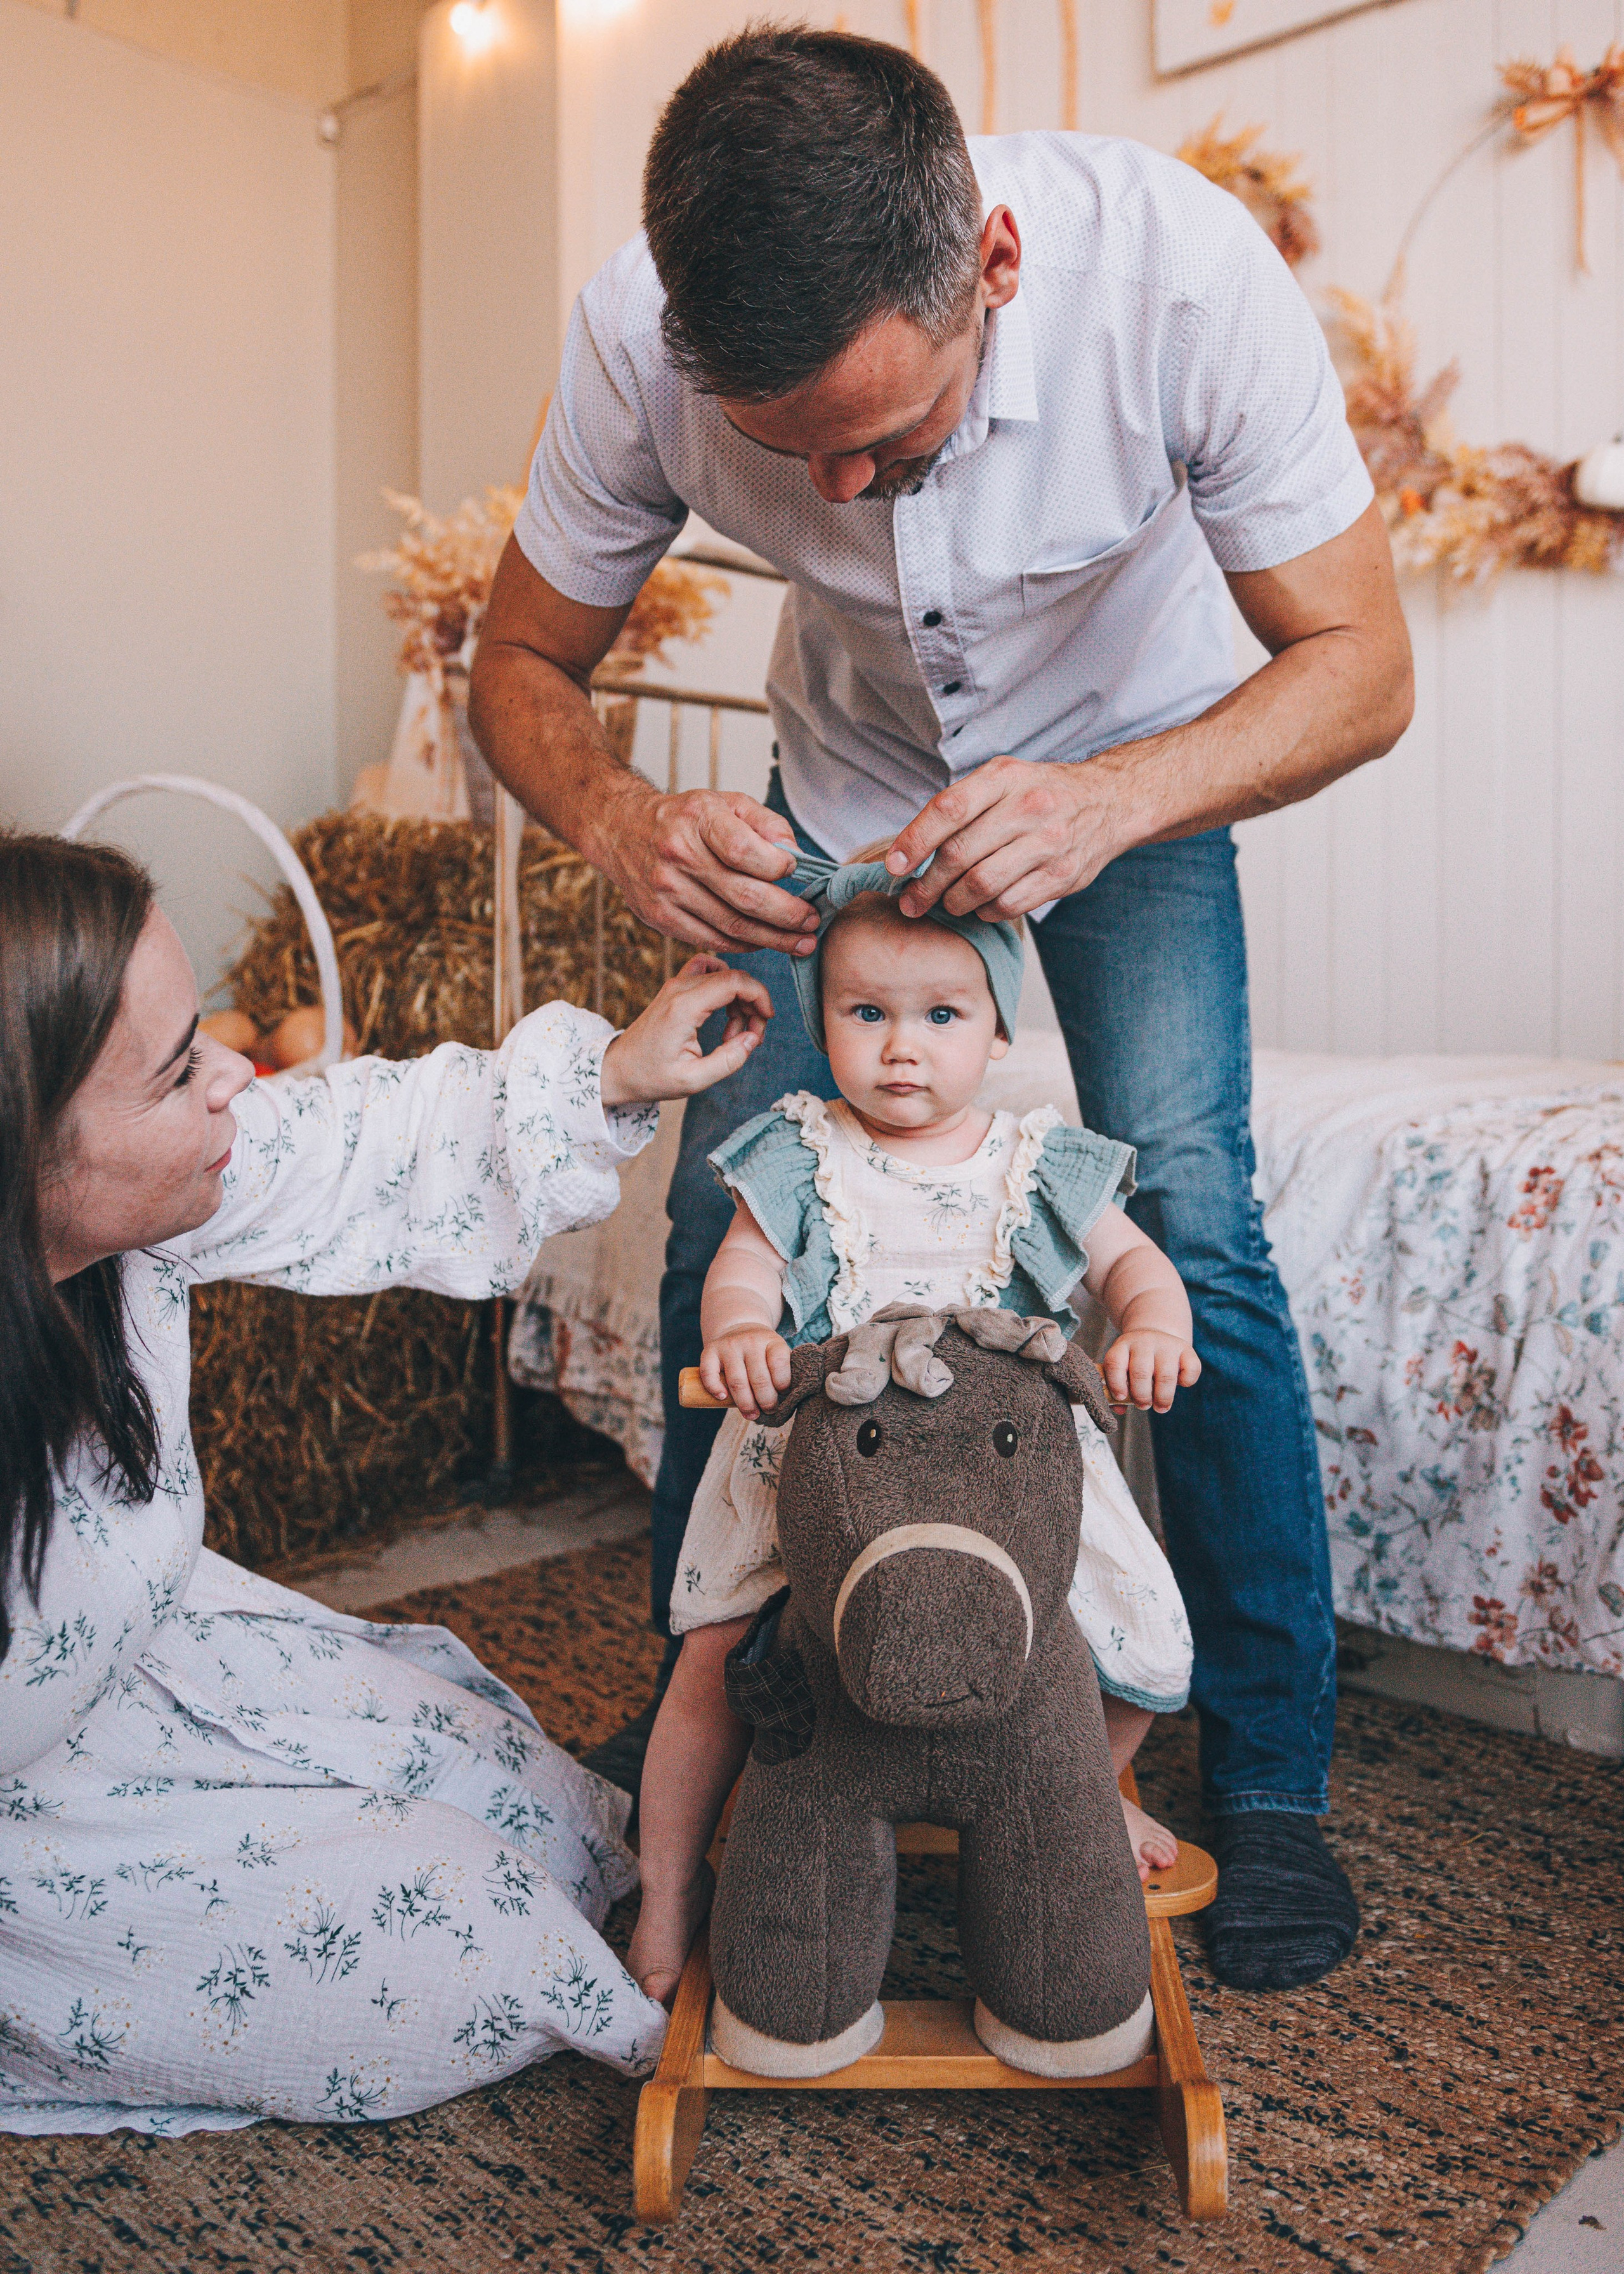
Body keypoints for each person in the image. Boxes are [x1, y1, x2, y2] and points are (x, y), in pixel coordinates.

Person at [468, 27, 1414, 1991]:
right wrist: (624, 813)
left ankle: (1275, 1775)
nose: (836, 492)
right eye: (787, 452)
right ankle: (711, 1727)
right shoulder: (629, 340)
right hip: (840, 799)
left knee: (1205, 1233)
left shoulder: (1179, 281)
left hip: (1132, 784)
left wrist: (1117, 799)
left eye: (887, 443)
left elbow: (1362, 666)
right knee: (729, 1224)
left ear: (987, 260)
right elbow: (523, 669)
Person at [0, 827, 770, 2137]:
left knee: (548, 1814)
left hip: (151, 1665)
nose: (241, 1077)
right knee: (478, 1939)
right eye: (183, 1068)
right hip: (34, 1824)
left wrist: (610, 1072)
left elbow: (350, 1137)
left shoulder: (137, 1218)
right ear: (34, 1146)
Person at [625, 850, 1202, 2002]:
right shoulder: (798, 1153)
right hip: (825, 1459)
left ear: (996, 1031)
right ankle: (669, 1884)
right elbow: (742, 1271)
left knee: (1143, 1649)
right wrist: (740, 1328)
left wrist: (1145, 1327)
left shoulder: (1040, 1163)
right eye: (866, 1012)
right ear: (820, 1023)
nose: (902, 1045)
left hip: (1011, 1473)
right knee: (706, 1659)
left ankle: (1081, 1787)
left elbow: (1142, 1273)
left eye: (942, 1014)